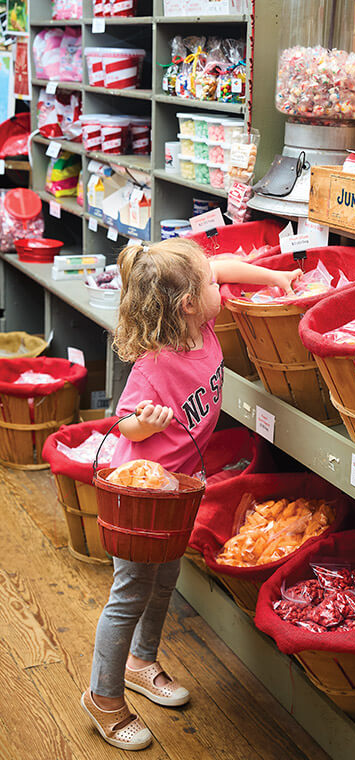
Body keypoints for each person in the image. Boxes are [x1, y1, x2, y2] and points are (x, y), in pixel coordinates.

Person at [79, 238, 299, 750]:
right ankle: (103, 696)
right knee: (129, 594)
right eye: (211, 285)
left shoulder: (200, 325)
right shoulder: (155, 366)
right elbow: (125, 424)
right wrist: (144, 423)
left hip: (179, 495)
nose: (220, 283)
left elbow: (218, 263)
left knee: (164, 582)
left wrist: (276, 279)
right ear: (189, 304)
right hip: (142, 500)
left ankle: (141, 661)